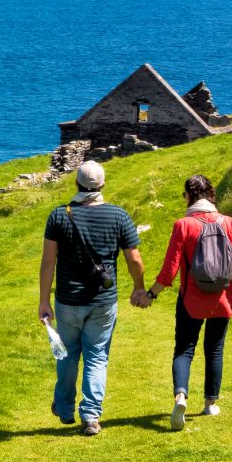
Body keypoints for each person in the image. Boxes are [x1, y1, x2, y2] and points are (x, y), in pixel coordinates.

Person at [137, 175, 232, 431]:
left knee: (184, 349)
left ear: (188, 196)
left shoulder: (183, 225)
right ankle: (210, 403)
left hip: (191, 300)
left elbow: (169, 271)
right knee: (214, 349)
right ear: (211, 195)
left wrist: (150, 295)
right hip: (223, 300)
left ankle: (181, 396)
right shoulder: (229, 223)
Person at [39, 160, 147, 436]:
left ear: (76, 183)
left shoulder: (59, 216)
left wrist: (44, 300)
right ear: (102, 186)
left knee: (67, 354)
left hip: (67, 300)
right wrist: (139, 287)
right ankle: (90, 416)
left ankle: (64, 409)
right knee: (97, 356)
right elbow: (134, 259)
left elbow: (48, 262)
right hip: (103, 301)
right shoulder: (118, 216)